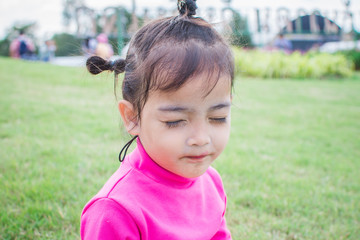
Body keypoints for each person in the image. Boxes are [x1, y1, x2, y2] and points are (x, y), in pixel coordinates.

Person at [81, 0, 234, 239]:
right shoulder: (116, 211)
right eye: (175, 121)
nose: (201, 138)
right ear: (132, 117)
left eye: (218, 117)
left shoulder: (211, 182)